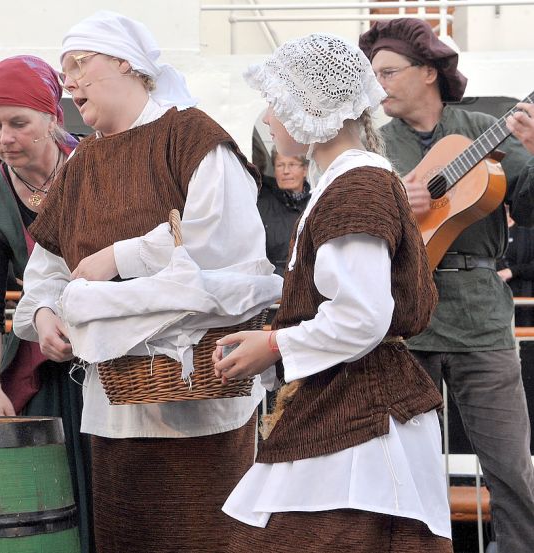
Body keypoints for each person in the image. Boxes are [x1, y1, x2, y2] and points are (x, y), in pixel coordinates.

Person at [13, 12, 281, 552]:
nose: (69, 82)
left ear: (125, 63)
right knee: (125, 537)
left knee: (207, 537)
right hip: (113, 407)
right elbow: (47, 270)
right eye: (64, 69)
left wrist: (120, 257)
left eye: (79, 64)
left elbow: (224, 247)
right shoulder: (82, 162)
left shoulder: (191, 134)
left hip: (200, 400)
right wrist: (43, 316)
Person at [213, 32, 451, 552]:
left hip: (362, 417)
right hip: (346, 404)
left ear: (309, 108)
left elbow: (363, 316)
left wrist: (273, 345)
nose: (269, 120)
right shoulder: (348, 180)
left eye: (276, 105)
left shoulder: (357, 184)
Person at [360, 19, 534, 551]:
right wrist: (392, 208)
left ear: (429, 72)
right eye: (374, 74)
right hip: (403, 322)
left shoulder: (482, 125)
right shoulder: (373, 144)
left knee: (511, 467)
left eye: (388, 71)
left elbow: (528, 207)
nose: (378, 83)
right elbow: (342, 229)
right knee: (402, 470)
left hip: (481, 319)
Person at [0, 54, 92, 552]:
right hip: (47, 363)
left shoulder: (95, 167)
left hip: (116, 355)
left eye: (19, 123)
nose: (4, 138)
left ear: (53, 117)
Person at [257, 146, 310, 276]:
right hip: (274, 284)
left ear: (304, 170)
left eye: (292, 164)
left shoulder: (315, 204)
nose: (286, 171)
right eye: (280, 165)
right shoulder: (260, 205)